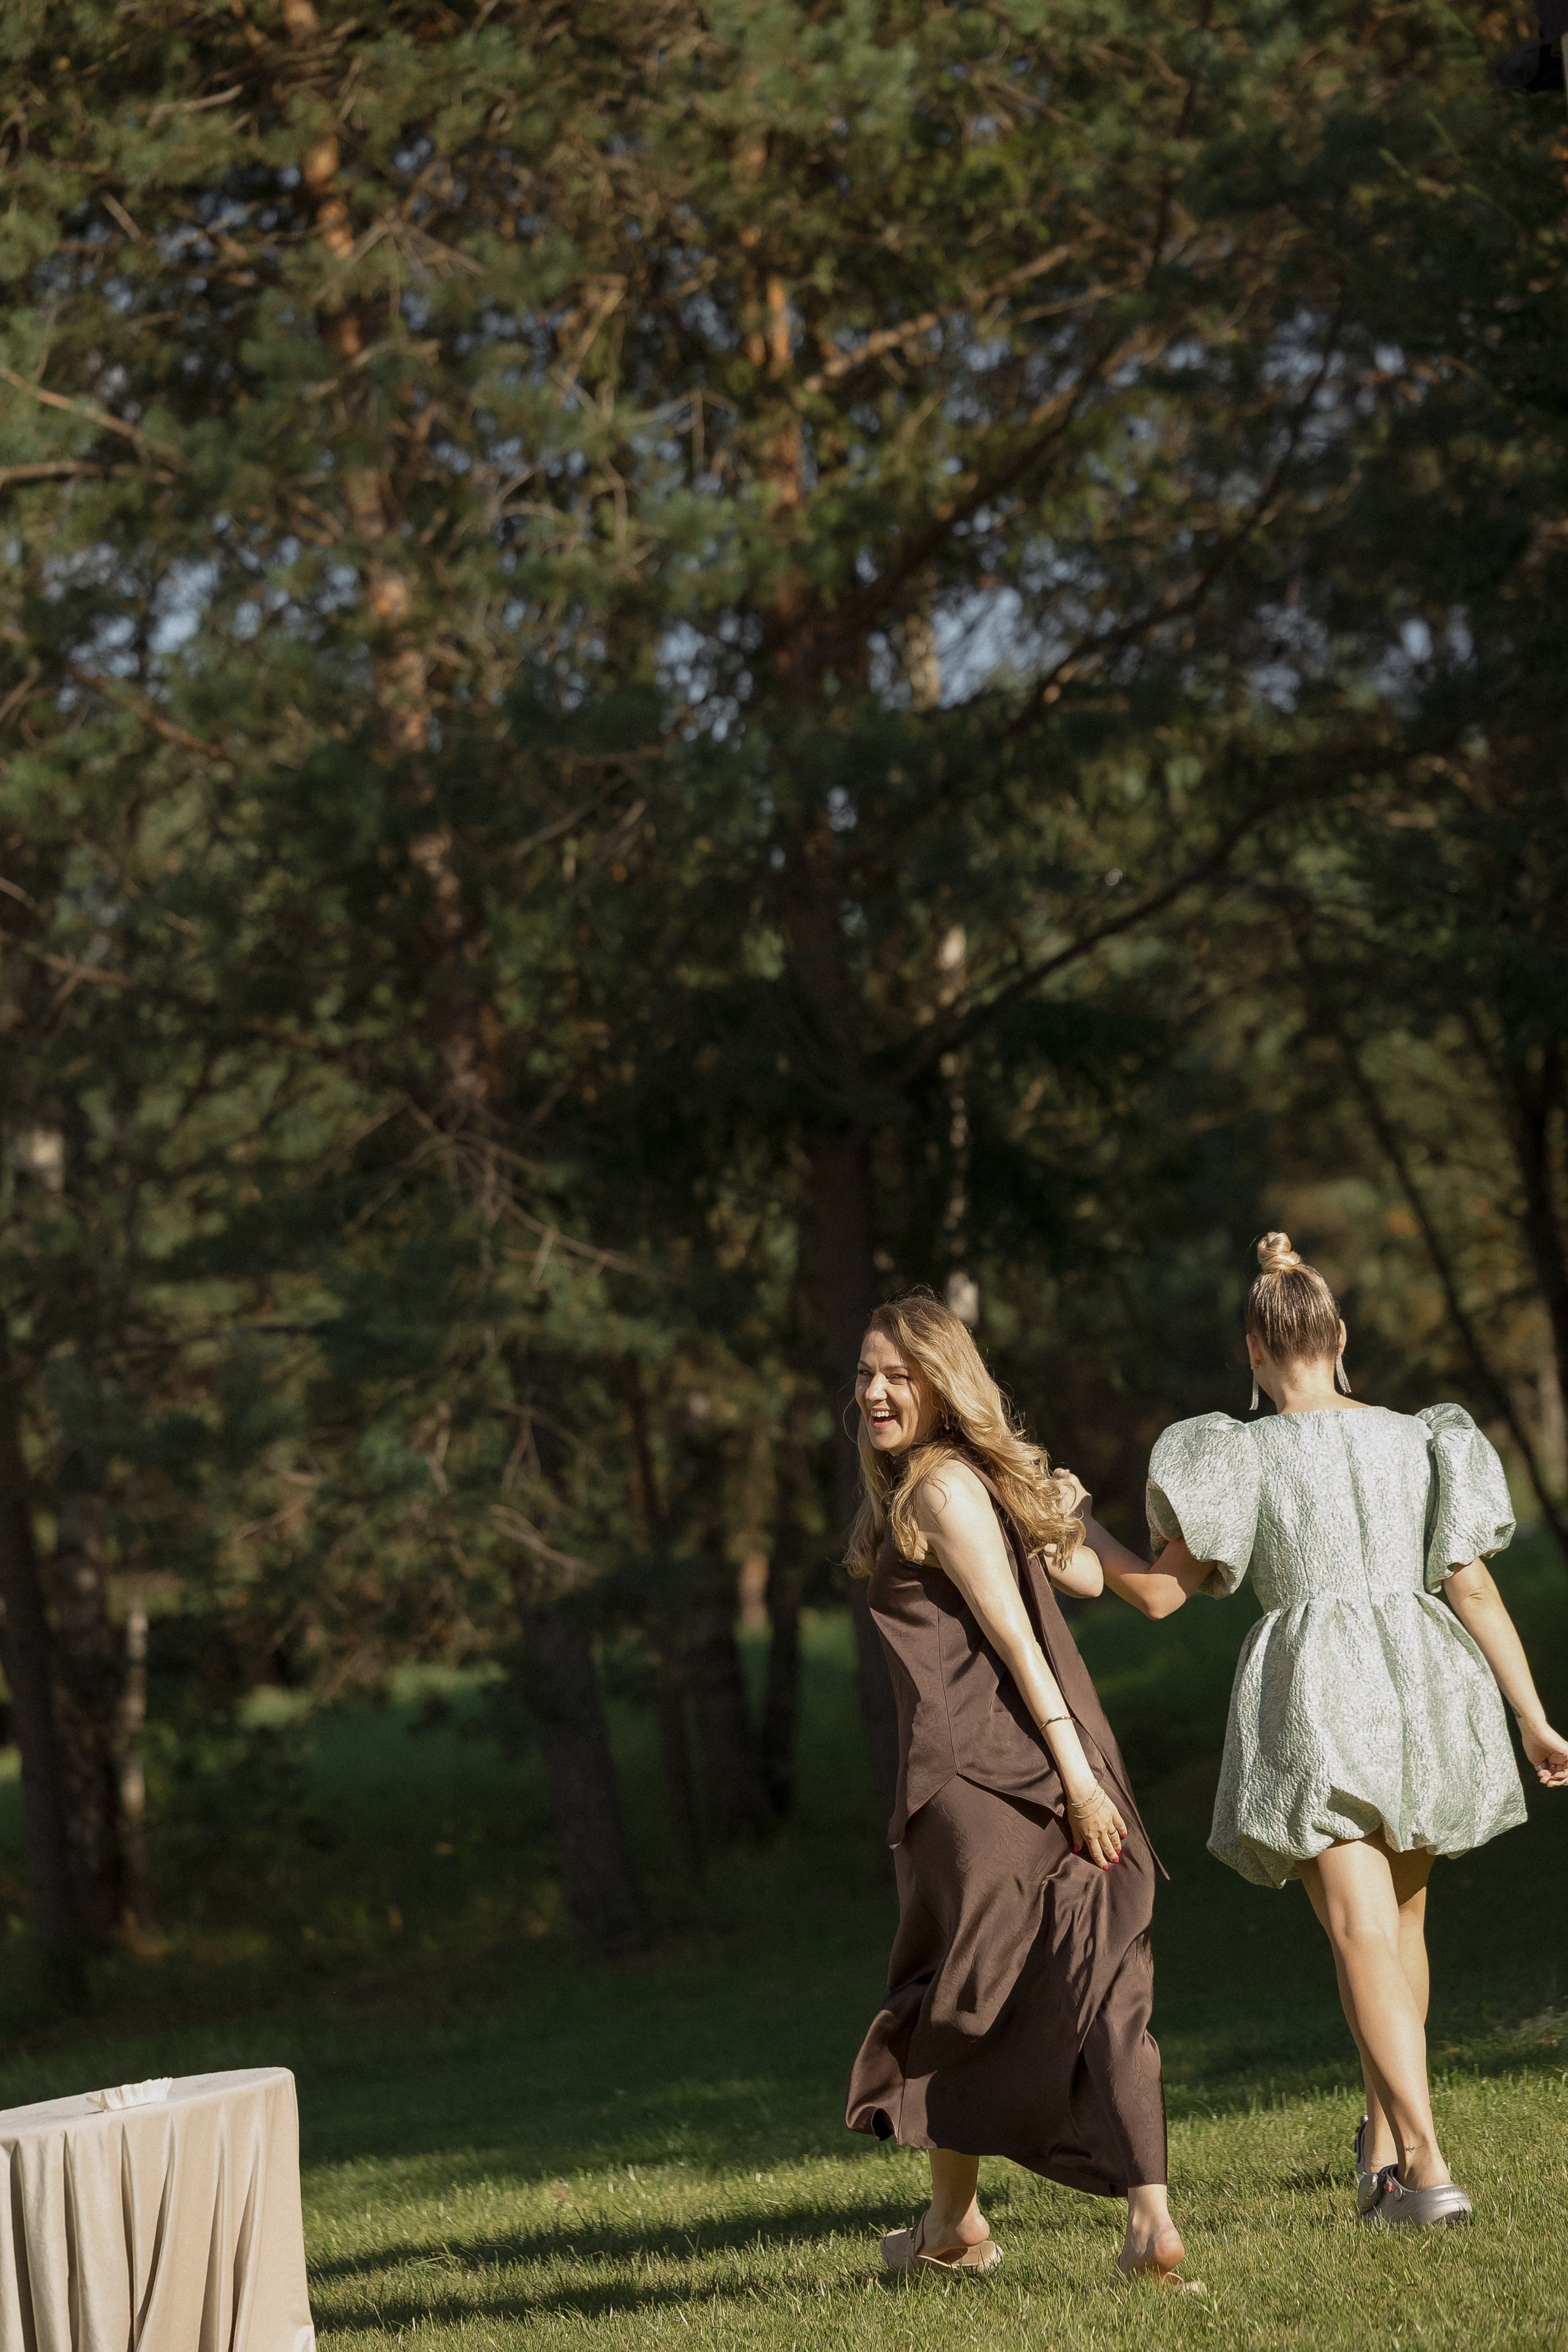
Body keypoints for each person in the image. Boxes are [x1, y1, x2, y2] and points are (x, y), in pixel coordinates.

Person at [1084, 1232, 1568, 2228]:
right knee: (1398, 1928)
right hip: (1425, 1681)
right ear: (1339, 1337)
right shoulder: (1425, 1437)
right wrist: (1532, 1713)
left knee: (1357, 1932)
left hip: (1317, 1690)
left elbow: (1160, 1598)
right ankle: (1384, 2146)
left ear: (1253, 1353)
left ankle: (1425, 2167)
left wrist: (1075, 1525)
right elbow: (1469, 1581)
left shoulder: (1237, 1451)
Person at [842, 1292, 1188, 2285]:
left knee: (968, 1994)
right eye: (865, 1373)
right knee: (1098, 1980)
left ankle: (974, 2225)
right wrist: (1042, 1500)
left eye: (897, 1375)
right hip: (1045, 1773)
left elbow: (1025, 1639)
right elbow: (1080, 1582)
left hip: (992, 1783)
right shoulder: (962, 1486)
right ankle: (1130, 2224)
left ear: (943, 1383)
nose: (874, 1391)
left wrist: (1080, 1786)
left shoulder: (946, 1491)